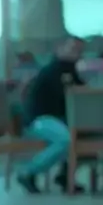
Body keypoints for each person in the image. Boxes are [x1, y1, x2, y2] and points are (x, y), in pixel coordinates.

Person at [17, 36, 86, 193]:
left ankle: (65, 175)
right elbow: (65, 96)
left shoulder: (69, 70)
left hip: (57, 120)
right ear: (60, 48)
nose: (76, 53)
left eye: (79, 51)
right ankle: (28, 172)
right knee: (66, 140)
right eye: (72, 49)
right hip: (39, 120)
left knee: (83, 136)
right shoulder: (53, 70)